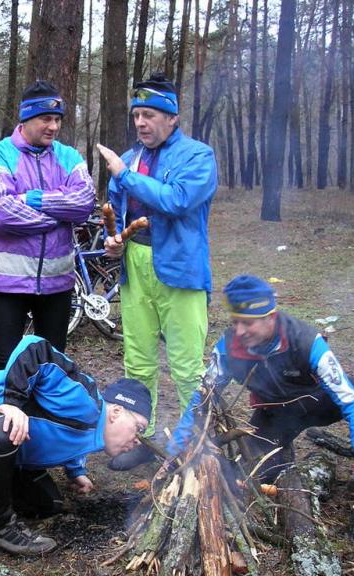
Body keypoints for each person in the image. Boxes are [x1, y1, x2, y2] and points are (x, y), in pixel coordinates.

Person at [167, 274, 354, 515]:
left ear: (270, 317)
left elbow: (351, 403)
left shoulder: (305, 340)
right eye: (235, 322)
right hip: (274, 416)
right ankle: (283, 455)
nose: (239, 331)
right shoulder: (228, 347)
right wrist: (174, 449)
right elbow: (202, 399)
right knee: (249, 478)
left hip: (318, 403)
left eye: (247, 323)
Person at [0, 335, 151, 556]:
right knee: (5, 430)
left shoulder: (94, 432)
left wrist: (76, 471)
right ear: (117, 412)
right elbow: (35, 346)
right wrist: (11, 402)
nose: (137, 440)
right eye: (138, 427)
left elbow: (67, 432)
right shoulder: (83, 398)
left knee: (47, 504)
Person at [97, 73, 218, 470]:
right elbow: (118, 206)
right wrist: (114, 239)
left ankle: (197, 442)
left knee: (186, 364)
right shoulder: (131, 158)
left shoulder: (197, 156)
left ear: (172, 118)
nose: (141, 124)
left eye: (149, 115)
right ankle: (141, 438)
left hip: (181, 269)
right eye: (136, 116)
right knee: (138, 359)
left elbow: (178, 200)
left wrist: (123, 174)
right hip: (136, 266)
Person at [0, 80, 96, 371]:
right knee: (2, 364)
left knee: (52, 364)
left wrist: (32, 199)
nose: (53, 127)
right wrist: (59, 214)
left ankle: (41, 417)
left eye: (57, 120)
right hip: (9, 283)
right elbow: (0, 213)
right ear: (26, 119)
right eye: (46, 119)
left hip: (58, 282)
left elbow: (84, 202)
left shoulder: (68, 156)